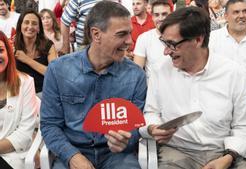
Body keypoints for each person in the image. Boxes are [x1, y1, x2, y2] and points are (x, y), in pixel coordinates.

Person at [139, 6, 246, 169]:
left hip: (223, 152)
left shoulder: (232, 73)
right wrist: (153, 128)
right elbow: (151, 112)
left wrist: (228, 157)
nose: (166, 51)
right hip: (176, 153)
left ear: (198, 40)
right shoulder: (161, 72)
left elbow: (245, 125)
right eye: (164, 43)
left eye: (172, 44)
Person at [40, 1, 147, 169]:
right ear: (96, 34)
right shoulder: (58, 70)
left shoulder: (136, 76)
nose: (129, 42)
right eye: (121, 34)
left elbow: (137, 127)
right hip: (72, 151)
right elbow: (50, 125)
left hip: (117, 156)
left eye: (130, 34)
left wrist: (126, 140)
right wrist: (72, 156)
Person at [0, 30, 39, 169]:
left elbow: (24, 134)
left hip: (12, 155)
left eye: (0, 50)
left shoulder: (26, 83)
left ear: (8, 53)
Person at [14, 10, 57, 97]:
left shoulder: (48, 45)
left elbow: (53, 73)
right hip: (20, 93)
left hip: (44, 92)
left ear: (39, 28)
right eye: (26, 22)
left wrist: (26, 59)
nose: (30, 26)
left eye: (34, 23)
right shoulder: (12, 45)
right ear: (20, 26)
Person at [133, 0, 172, 79]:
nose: (160, 18)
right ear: (152, 17)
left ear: (171, 15)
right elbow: (137, 72)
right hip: (153, 89)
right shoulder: (143, 38)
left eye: (164, 14)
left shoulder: (181, 37)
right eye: (156, 15)